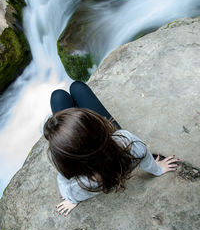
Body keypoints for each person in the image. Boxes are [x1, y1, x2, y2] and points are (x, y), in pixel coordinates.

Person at [43, 81, 179, 217]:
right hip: (112, 144)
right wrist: (157, 169)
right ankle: (80, 125)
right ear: (101, 124)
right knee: (77, 87)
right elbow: (144, 155)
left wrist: (72, 199)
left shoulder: (75, 187)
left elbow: (65, 185)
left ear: (66, 165)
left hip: (91, 148)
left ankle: (76, 130)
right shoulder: (127, 142)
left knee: (58, 96)